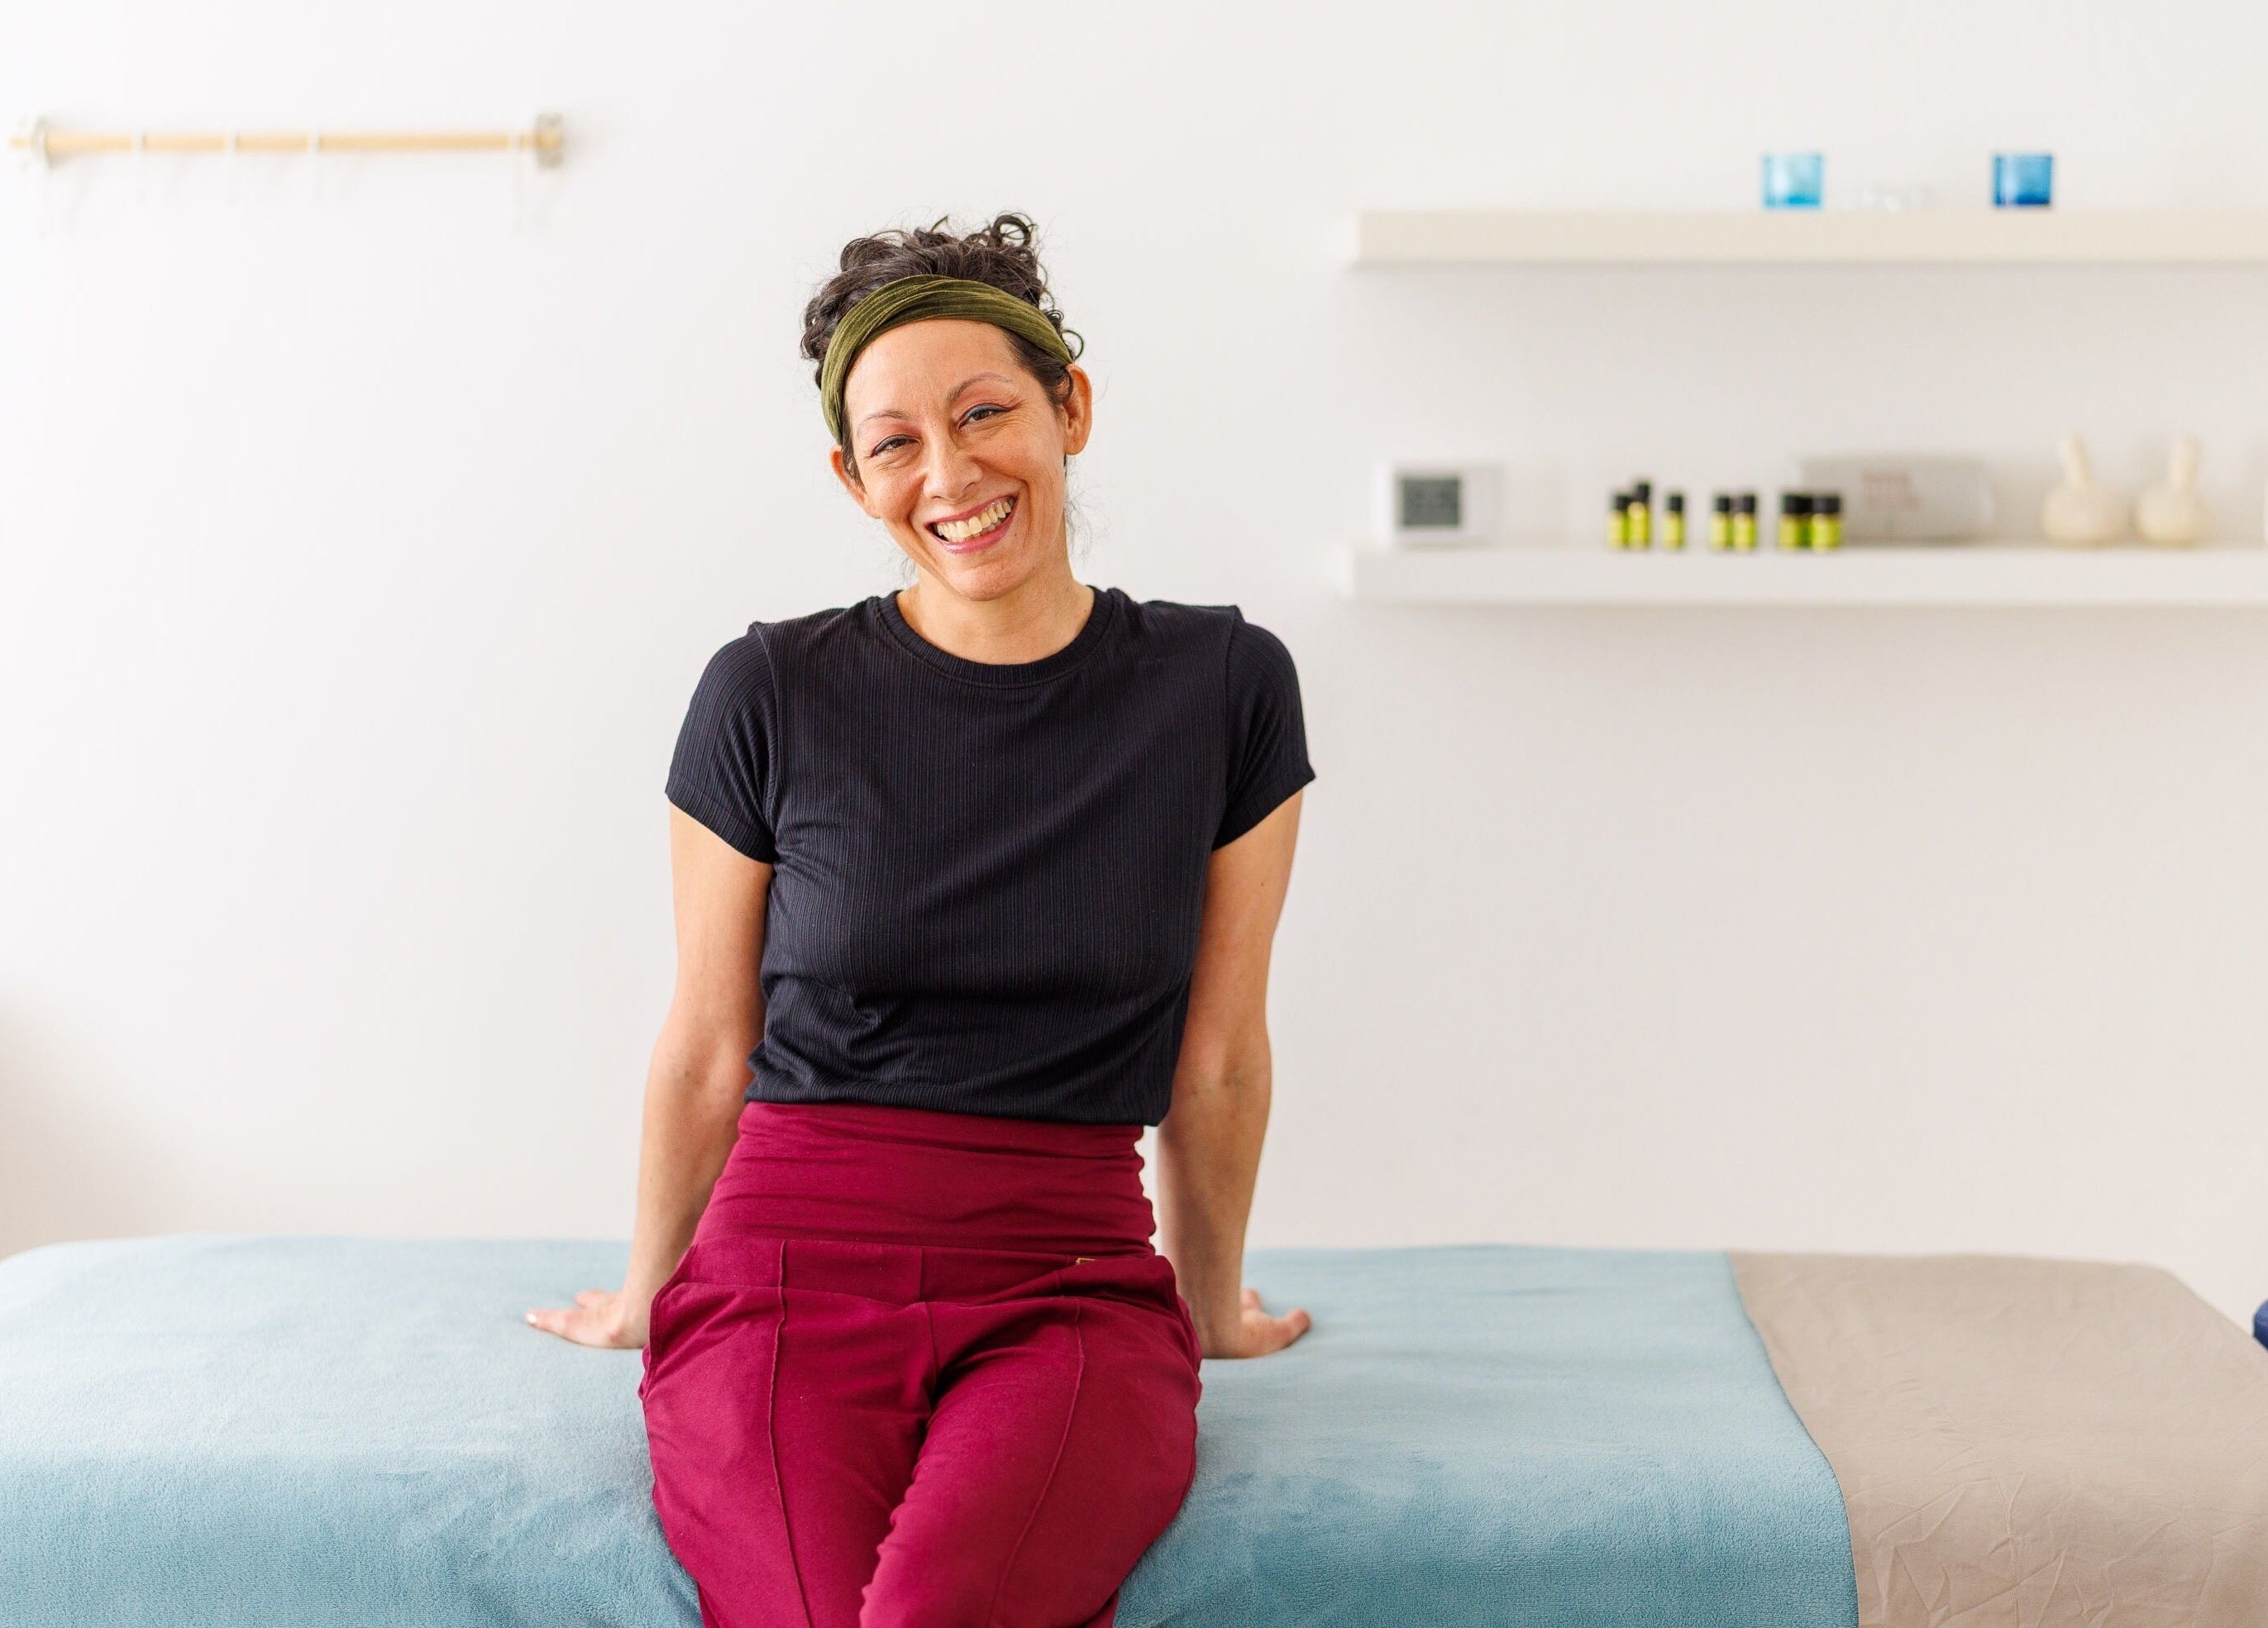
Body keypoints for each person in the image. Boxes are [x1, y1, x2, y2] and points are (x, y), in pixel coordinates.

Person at [526, 211, 1315, 1628]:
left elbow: (1221, 1057)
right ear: (853, 477)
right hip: (780, 1275)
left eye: (986, 412)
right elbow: (712, 1043)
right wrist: (649, 1286)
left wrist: (1215, 1305)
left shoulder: (1225, 686)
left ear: (1070, 407)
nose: (951, 474)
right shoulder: (767, 691)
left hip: (1066, 1283)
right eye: (896, 442)